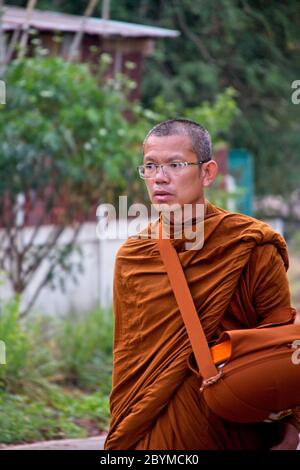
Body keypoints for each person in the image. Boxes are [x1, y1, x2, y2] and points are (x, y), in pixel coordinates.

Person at [104, 119, 300, 450]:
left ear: (207, 173)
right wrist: (124, 426)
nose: (159, 177)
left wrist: (292, 427)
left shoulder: (250, 244)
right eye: (150, 166)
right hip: (152, 429)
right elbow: (129, 359)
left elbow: (283, 341)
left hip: (232, 427)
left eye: (175, 165)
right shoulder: (134, 258)